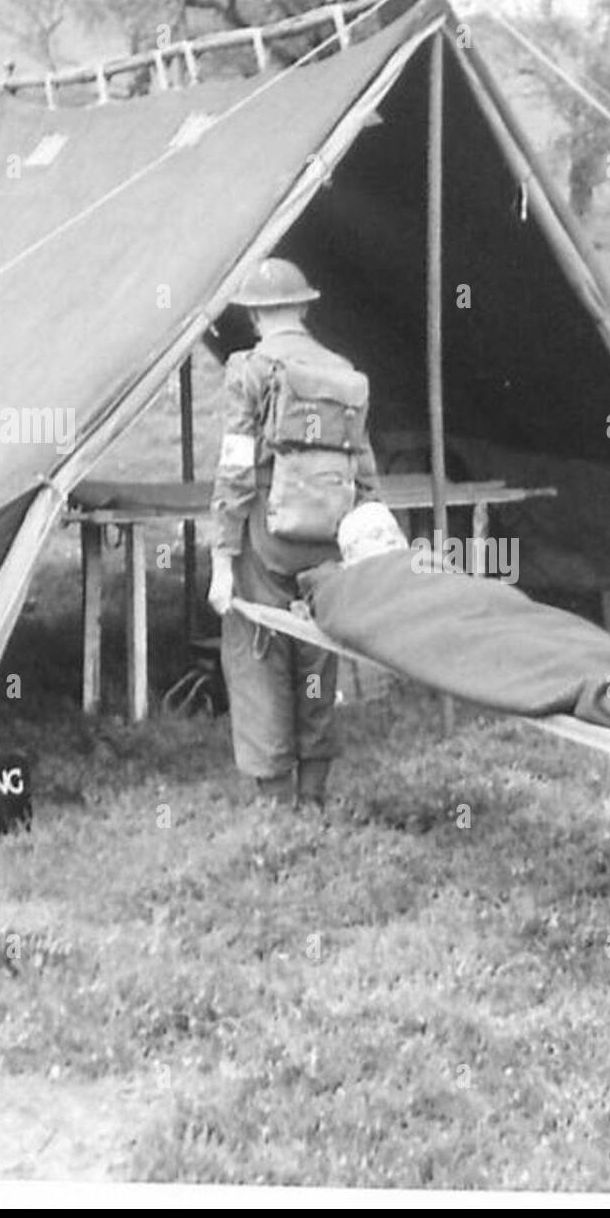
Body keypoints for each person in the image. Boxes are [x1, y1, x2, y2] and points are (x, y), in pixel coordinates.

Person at [206, 258, 381, 810]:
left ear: (255, 315)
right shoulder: (343, 373)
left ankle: (276, 804)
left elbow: (235, 470)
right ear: (304, 307)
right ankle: (315, 795)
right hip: (328, 536)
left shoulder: (248, 370)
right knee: (317, 660)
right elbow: (365, 471)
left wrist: (221, 559)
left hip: (266, 535)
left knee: (257, 655)